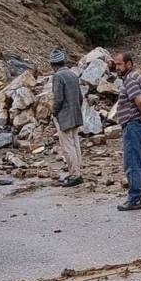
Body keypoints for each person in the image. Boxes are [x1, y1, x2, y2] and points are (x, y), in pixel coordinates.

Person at [114, 52, 141, 211]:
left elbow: (139, 101)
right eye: (116, 64)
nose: (116, 67)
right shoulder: (138, 77)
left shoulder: (130, 79)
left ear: (129, 64)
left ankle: (134, 198)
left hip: (134, 126)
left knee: (132, 162)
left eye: (119, 64)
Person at [50, 47, 84, 186]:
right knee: (75, 144)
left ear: (53, 65)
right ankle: (77, 172)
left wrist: (54, 112)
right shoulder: (72, 74)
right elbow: (80, 97)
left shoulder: (58, 76)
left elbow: (58, 98)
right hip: (75, 114)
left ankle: (74, 175)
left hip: (64, 116)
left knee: (67, 146)